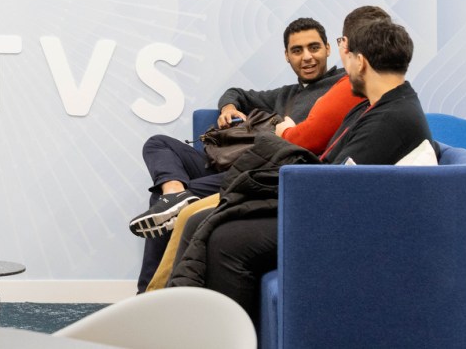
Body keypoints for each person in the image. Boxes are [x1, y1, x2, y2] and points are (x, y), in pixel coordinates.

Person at [168, 19, 434, 324]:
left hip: (344, 225)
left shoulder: (390, 117)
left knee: (226, 240)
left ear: (360, 62)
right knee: (205, 220)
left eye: (347, 56)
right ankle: (192, 328)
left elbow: (332, 185)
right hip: (333, 209)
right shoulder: (384, 104)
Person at [142, 5, 392, 292]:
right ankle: (174, 193)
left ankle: (147, 293)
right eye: (297, 50)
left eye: (313, 48)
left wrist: (287, 132)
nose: (307, 57)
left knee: (164, 206)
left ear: (328, 49)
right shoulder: (284, 94)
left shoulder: (344, 87)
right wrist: (228, 108)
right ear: (287, 56)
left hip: (262, 171)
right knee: (158, 145)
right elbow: (236, 92)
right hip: (234, 159)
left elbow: (314, 141)